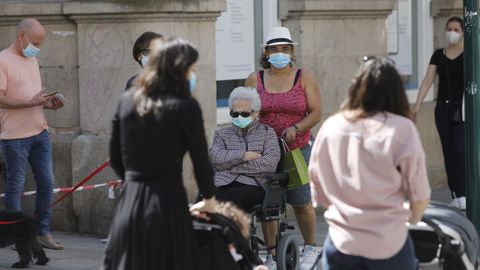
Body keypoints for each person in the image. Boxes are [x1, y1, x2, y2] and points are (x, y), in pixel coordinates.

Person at [102, 37, 219, 270]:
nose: (192, 74)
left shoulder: (127, 100)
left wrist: (133, 179)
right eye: (191, 69)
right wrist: (209, 199)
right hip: (167, 197)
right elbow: (201, 161)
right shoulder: (186, 107)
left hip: (131, 196)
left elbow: (115, 155)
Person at [309, 56, 431, 270]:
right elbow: (419, 195)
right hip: (388, 243)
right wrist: (411, 219)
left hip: (341, 242)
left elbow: (318, 188)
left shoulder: (332, 127)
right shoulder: (402, 129)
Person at [245, 26, 321, 270]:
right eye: (275, 49)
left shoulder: (304, 77)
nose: (280, 53)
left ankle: (310, 246)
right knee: (270, 204)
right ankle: (270, 252)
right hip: (266, 150)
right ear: (266, 53)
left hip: (297, 148)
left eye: (285, 49)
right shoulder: (254, 79)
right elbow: (244, 111)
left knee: (301, 200)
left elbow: (316, 112)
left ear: (291, 52)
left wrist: (296, 128)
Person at [0, 18, 65, 250]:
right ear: (21, 36)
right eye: (36, 41)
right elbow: (1, 98)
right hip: (15, 137)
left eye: (41, 43)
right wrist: (30, 102)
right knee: (15, 187)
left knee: (47, 184)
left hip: (40, 132)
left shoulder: (32, 59)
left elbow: (33, 98)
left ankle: (42, 232)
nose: (38, 47)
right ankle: (17, 237)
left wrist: (48, 104)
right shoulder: (2, 60)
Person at [412, 16, 465, 210]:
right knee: (448, 151)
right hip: (442, 108)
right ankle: (457, 193)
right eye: (449, 28)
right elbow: (428, 79)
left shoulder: (469, 54)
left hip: (462, 109)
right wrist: (417, 104)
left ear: (462, 33)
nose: (451, 32)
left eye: (456, 29)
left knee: (459, 149)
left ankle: (465, 190)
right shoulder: (438, 55)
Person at [209, 87, 281, 211]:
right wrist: (244, 156)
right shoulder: (221, 134)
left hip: (255, 184)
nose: (239, 117)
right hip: (223, 182)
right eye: (235, 114)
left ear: (256, 113)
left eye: (245, 114)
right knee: (209, 196)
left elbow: (270, 164)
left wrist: (227, 166)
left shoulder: (267, 133)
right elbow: (215, 158)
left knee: (233, 197)